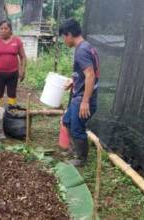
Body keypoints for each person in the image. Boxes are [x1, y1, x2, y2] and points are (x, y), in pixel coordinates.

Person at [59, 19, 100, 166]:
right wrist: (73, 81)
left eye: (64, 36)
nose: (64, 40)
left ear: (69, 34)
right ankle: (74, 149)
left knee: (77, 128)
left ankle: (81, 158)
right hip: (79, 95)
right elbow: (85, 73)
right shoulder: (86, 46)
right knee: (67, 121)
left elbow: (90, 74)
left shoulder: (81, 50)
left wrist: (85, 101)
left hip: (83, 98)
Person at [0, 20, 26, 106]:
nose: (3, 30)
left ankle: (11, 112)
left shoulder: (17, 41)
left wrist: (23, 70)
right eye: (1, 28)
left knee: (12, 94)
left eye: (6, 28)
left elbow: (23, 57)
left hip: (13, 74)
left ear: (10, 30)